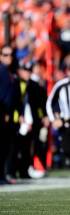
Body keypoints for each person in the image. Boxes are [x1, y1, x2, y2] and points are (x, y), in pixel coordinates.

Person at [0, 45, 23, 184]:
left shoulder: (12, 72)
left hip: (9, 115)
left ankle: (4, 175)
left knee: (6, 147)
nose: (9, 57)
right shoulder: (1, 71)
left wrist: (19, 113)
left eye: (11, 55)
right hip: (2, 114)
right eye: (6, 55)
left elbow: (16, 96)